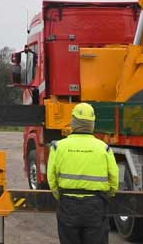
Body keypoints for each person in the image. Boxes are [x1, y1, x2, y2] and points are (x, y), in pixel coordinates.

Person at [47, 102, 119, 244]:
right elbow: (114, 180)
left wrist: (60, 196)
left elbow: (51, 179)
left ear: (73, 122)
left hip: (68, 204)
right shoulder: (104, 148)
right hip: (95, 205)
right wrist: (106, 196)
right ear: (92, 124)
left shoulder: (58, 147)